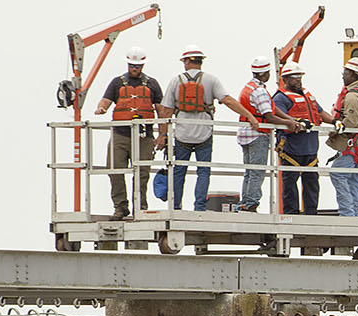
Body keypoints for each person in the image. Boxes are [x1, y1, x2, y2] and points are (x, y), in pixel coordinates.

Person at [156, 45, 260, 211]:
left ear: (186, 62)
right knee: (203, 172)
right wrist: (250, 116)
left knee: (178, 171)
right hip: (204, 134)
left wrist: (162, 135)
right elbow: (228, 101)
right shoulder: (211, 80)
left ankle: (175, 206)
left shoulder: (176, 81)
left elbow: (166, 111)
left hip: (182, 133)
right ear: (201, 61)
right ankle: (199, 207)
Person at [93, 46, 163, 219]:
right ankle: (120, 207)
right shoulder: (117, 83)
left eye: (138, 66)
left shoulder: (152, 84)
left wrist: (163, 135)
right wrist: (101, 108)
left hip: (144, 136)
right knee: (115, 170)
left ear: (143, 66)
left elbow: (162, 111)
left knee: (142, 173)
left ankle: (141, 207)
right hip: (120, 134)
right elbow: (106, 100)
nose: (134, 68)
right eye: (132, 65)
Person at [236, 56, 297, 212]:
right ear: (265, 74)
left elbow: (272, 109)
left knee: (249, 171)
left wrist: (290, 119)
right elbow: (269, 116)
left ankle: (245, 201)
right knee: (257, 171)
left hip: (245, 135)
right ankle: (251, 203)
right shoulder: (260, 91)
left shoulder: (248, 88)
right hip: (257, 135)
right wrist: (289, 123)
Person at [271, 63, 332, 215]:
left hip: (310, 148)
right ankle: (291, 213)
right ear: (285, 79)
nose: (298, 80)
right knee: (290, 183)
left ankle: (311, 213)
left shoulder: (307, 95)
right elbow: (280, 117)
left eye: (300, 77)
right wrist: (298, 121)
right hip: (292, 148)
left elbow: (320, 112)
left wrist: (335, 121)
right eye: (294, 77)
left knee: (312, 182)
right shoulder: (280, 98)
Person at [326, 57, 358, 217]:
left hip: (353, 143)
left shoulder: (353, 96)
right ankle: (353, 212)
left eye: (346, 72)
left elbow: (350, 122)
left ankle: (347, 213)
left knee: (337, 173)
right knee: (355, 178)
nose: (343, 75)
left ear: (354, 74)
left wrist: (334, 130)